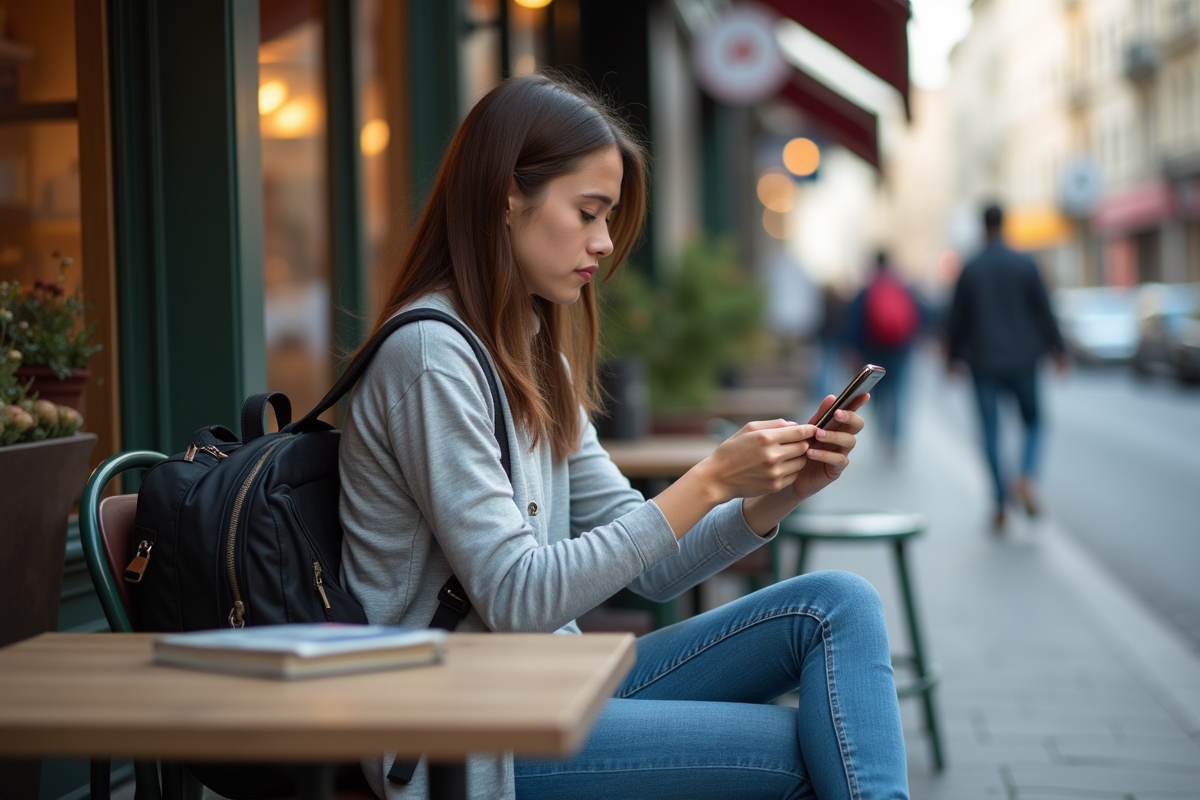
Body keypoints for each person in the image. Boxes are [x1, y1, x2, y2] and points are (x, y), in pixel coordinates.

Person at [338, 73, 908, 800]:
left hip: (559, 684)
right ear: (507, 198)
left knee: (838, 603)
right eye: (588, 213)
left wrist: (774, 496)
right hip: (469, 733)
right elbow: (517, 597)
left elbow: (652, 572)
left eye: (607, 218)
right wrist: (708, 479)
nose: (605, 242)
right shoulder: (430, 357)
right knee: (800, 753)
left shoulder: (534, 344)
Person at [946, 203, 1067, 531]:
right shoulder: (1025, 263)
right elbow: (1044, 309)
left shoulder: (970, 268)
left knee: (990, 433)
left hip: (983, 361)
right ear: (1005, 224)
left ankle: (1000, 504)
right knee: (1034, 422)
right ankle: (1026, 476)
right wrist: (1059, 350)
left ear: (982, 227)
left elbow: (957, 320)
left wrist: (952, 359)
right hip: (1024, 359)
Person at [843, 250, 923, 460]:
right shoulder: (902, 287)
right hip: (900, 349)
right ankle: (895, 437)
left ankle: (882, 431)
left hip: (873, 350)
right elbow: (921, 315)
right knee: (898, 391)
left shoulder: (868, 289)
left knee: (877, 393)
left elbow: (854, 322)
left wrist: (853, 350)